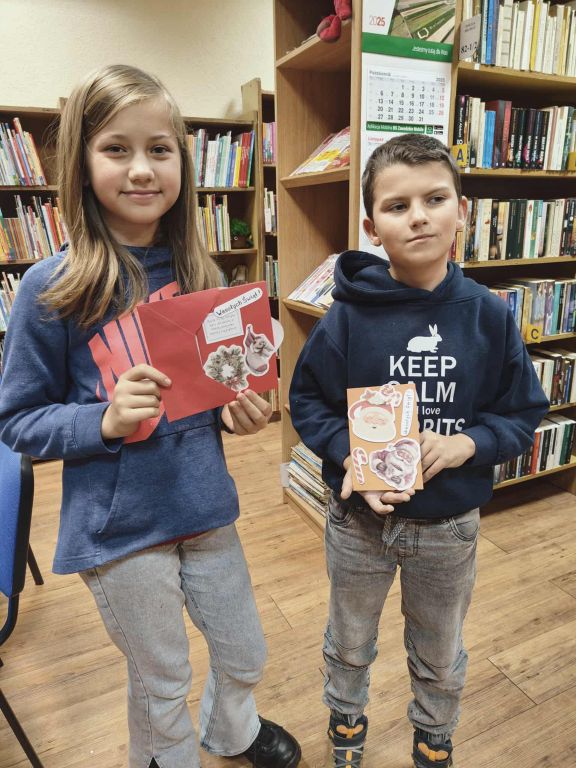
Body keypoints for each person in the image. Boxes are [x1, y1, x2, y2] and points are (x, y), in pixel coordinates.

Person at [0, 64, 301, 768]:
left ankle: (231, 730)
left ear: (183, 164)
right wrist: (101, 420)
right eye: (116, 148)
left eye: (160, 149)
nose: (141, 168)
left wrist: (239, 416)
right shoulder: (52, 288)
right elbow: (17, 420)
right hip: (120, 531)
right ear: (81, 161)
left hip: (204, 505)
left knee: (245, 651)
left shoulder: (200, 276)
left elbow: (218, 397)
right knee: (160, 680)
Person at [289, 134, 549, 768]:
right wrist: (349, 454)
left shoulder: (488, 315)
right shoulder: (345, 316)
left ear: (462, 210)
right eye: (398, 205)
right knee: (349, 639)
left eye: (435, 199)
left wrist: (469, 442)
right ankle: (346, 721)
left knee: (439, 646)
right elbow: (309, 404)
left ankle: (435, 734)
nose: (420, 216)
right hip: (358, 523)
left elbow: (522, 414)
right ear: (371, 224)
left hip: (448, 527)